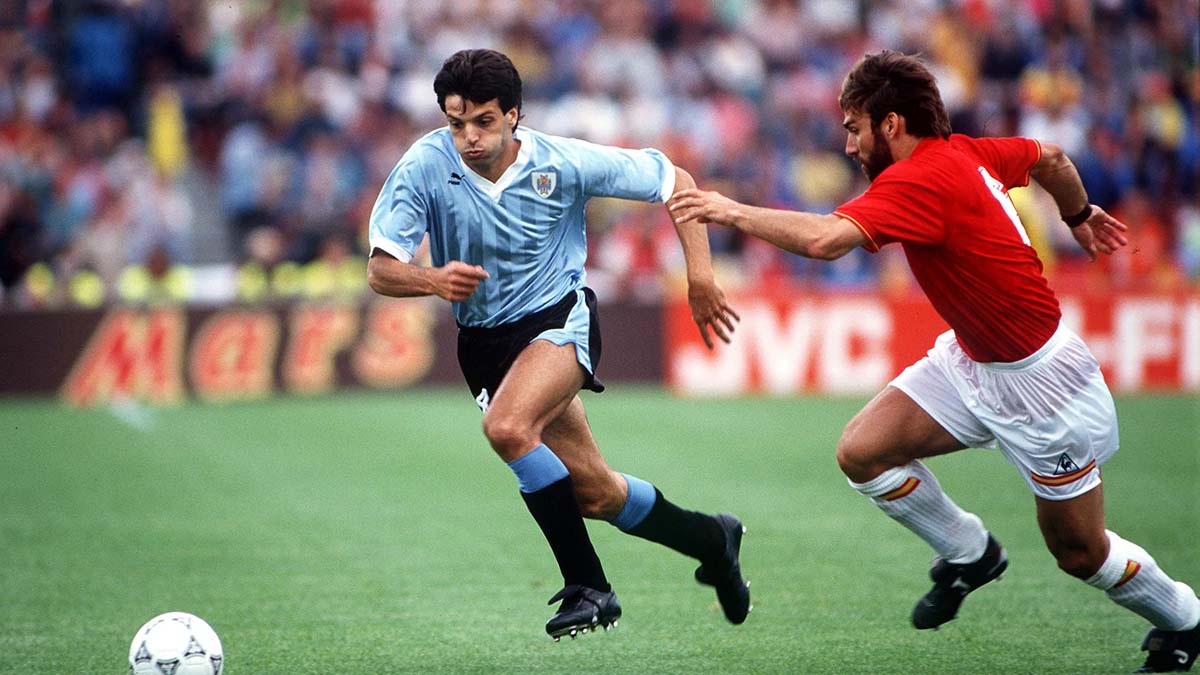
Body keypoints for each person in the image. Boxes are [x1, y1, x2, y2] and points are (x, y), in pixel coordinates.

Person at [670, 50, 1198, 673]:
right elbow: (1051, 159)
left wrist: (728, 209)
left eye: (852, 127)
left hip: (1043, 389)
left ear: (891, 124)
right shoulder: (969, 153)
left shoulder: (919, 178)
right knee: (863, 451)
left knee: (1080, 553)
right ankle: (971, 552)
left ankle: (1185, 618)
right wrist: (1077, 214)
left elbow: (824, 242)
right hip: (972, 362)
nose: (847, 145)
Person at [366, 49, 749, 640]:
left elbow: (678, 181)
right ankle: (712, 539)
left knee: (508, 430)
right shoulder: (423, 165)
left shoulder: (564, 162)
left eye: (484, 121)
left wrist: (699, 277)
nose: (468, 136)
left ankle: (589, 586)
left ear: (514, 115)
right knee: (594, 493)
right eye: (455, 121)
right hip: (484, 344)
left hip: (558, 320)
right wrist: (433, 280)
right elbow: (381, 269)